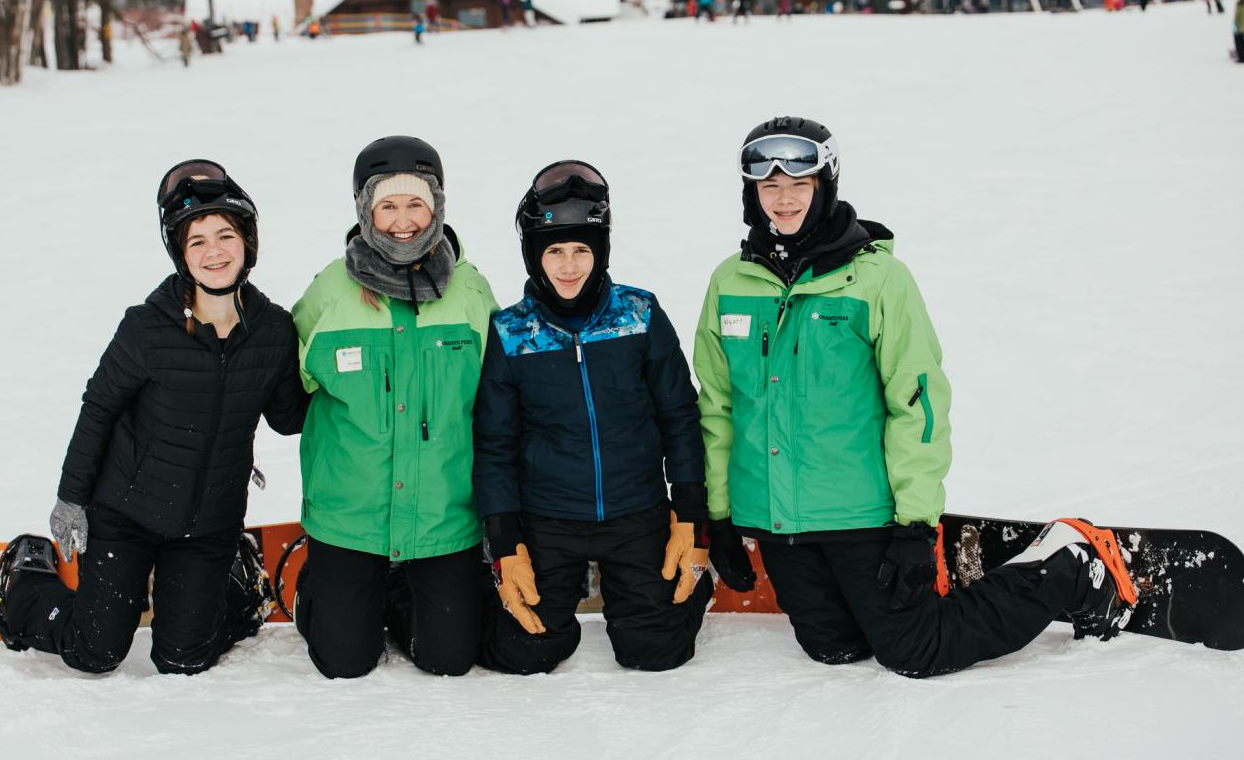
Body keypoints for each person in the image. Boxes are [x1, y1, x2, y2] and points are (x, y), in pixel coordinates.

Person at [693, 117, 1137, 678]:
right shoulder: (729, 281)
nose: (783, 201)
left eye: (798, 186)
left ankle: (1067, 566)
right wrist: (721, 517)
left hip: (861, 512)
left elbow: (919, 407)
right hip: (780, 521)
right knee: (833, 648)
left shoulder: (878, 280)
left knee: (914, 651)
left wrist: (914, 525)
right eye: (769, 187)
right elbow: (717, 406)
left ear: (825, 186)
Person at [0, 161, 309, 675]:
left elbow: (289, 417)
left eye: (225, 235)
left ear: (248, 243)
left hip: (209, 524)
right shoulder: (145, 328)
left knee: (183, 659)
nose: (214, 251)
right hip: (126, 515)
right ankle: (24, 582)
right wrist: (72, 498)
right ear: (180, 254)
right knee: (96, 652)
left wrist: (344, 373)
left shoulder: (273, 330)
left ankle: (236, 583)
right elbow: (98, 410)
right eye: (196, 241)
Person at [474, 162, 714, 675]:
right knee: (526, 651)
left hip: (636, 510)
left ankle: (671, 594)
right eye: (555, 251)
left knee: (656, 652)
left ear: (600, 251)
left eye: (582, 250)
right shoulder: (512, 331)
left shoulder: (640, 313)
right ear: (535, 255)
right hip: (549, 517)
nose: (568, 266)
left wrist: (690, 515)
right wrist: (504, 541)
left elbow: (679, 415)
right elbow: (495, 442)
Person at [290, 137, 498, 679]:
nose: (401, 221)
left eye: (415, 203)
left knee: (449, 659)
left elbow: (501, 400)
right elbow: (288, 388)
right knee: (342, 662)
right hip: (350, 518)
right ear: (364, 209)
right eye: (386, 205)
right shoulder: (328, 294)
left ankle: (408, 590)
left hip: (442, 515)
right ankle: (331, 587)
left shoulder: (470, 291)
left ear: (437, 206)